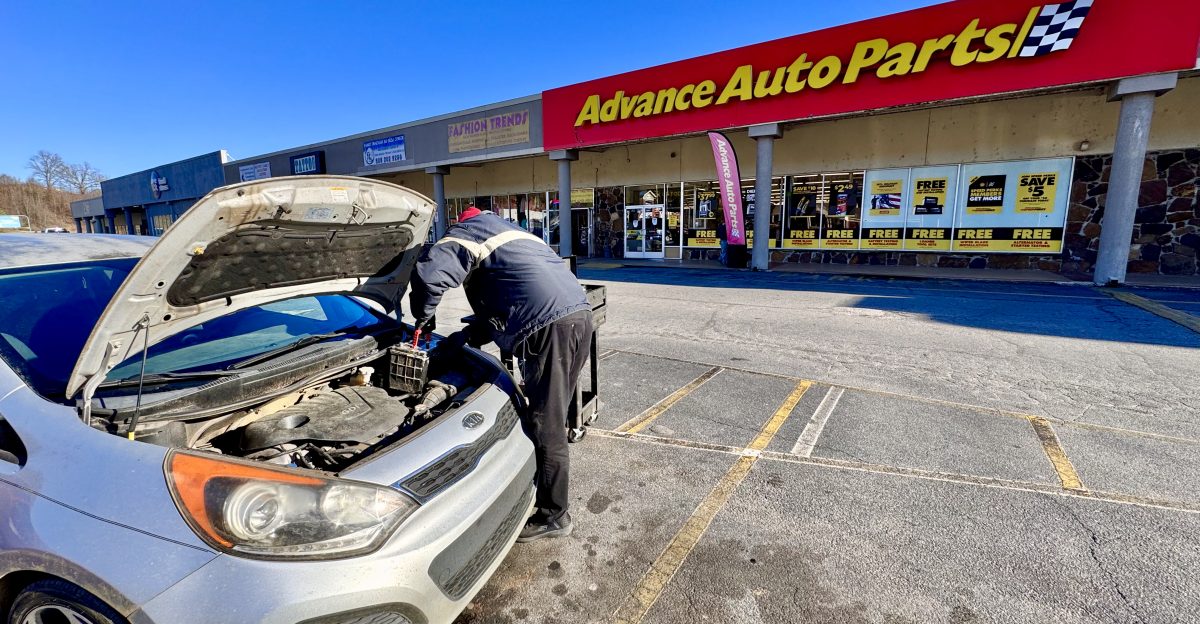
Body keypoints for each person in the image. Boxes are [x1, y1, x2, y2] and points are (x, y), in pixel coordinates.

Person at [406, 204, 593, 542]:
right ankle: (546, 471)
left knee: (545, 421)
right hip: (578, 316)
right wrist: (467, 336)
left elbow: (430, 276)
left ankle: (554, 514)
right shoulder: (515, 236)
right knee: (552, 410)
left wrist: (421, 317)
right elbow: (514, 296)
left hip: (549, 327)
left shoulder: (467, 232)